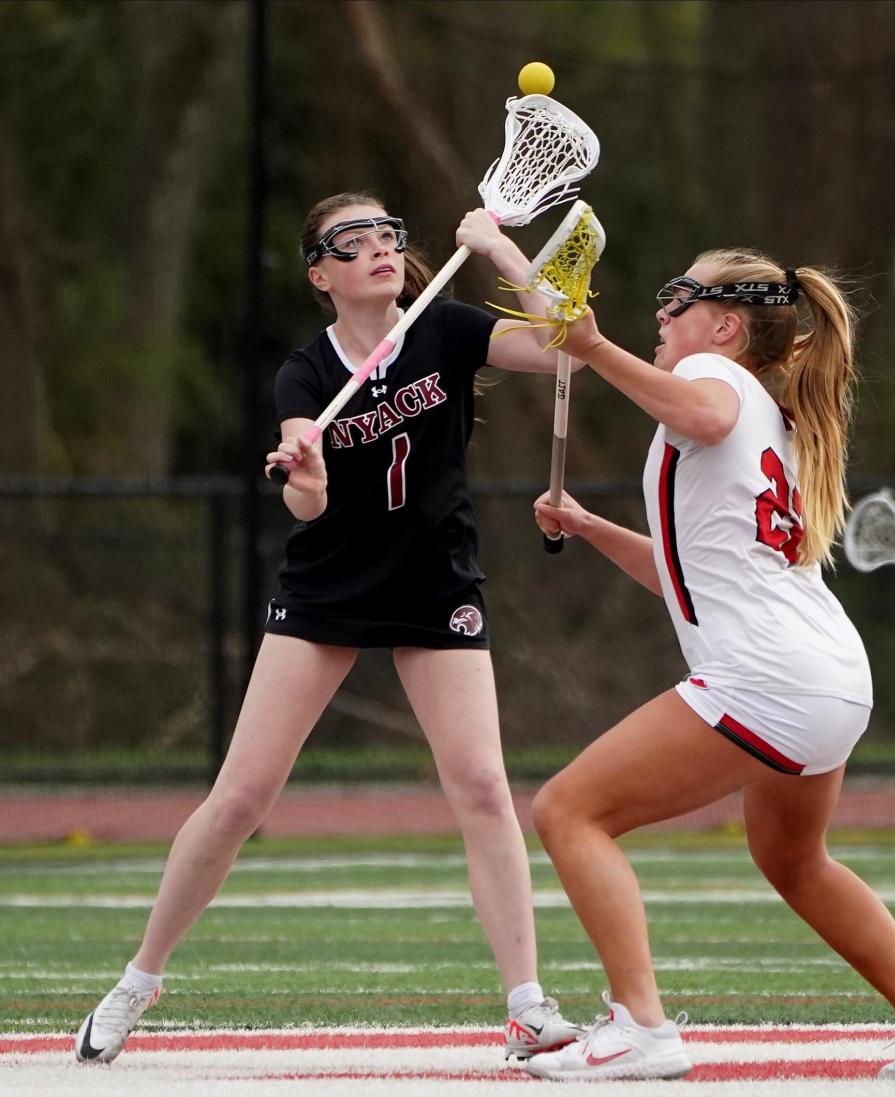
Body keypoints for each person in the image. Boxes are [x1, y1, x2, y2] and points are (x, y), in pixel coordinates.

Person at [74, 193, 583, 1064]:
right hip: (329, 589)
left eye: (389, 233)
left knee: (485, 786)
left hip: (436, 583)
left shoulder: (447, 328)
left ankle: (527, 1006)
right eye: (353, 241)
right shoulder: (304, 374)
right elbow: (305, 502)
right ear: (321, 274)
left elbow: (568, 345)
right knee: (240, 797)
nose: (380, 248)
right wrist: (305, 468)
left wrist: (502, 253)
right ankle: (137, 980)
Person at [487, 247, 895, 1080]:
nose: (660, 314)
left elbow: (706, 416)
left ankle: (642, 1028)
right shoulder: (761, 405)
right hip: (827, 673)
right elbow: (686, 577)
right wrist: (591, 527)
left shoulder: (722, 387)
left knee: (569, 809)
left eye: (676, 299)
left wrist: (591, 346)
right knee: (794, 861)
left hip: (772, 676)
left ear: (724, 326)